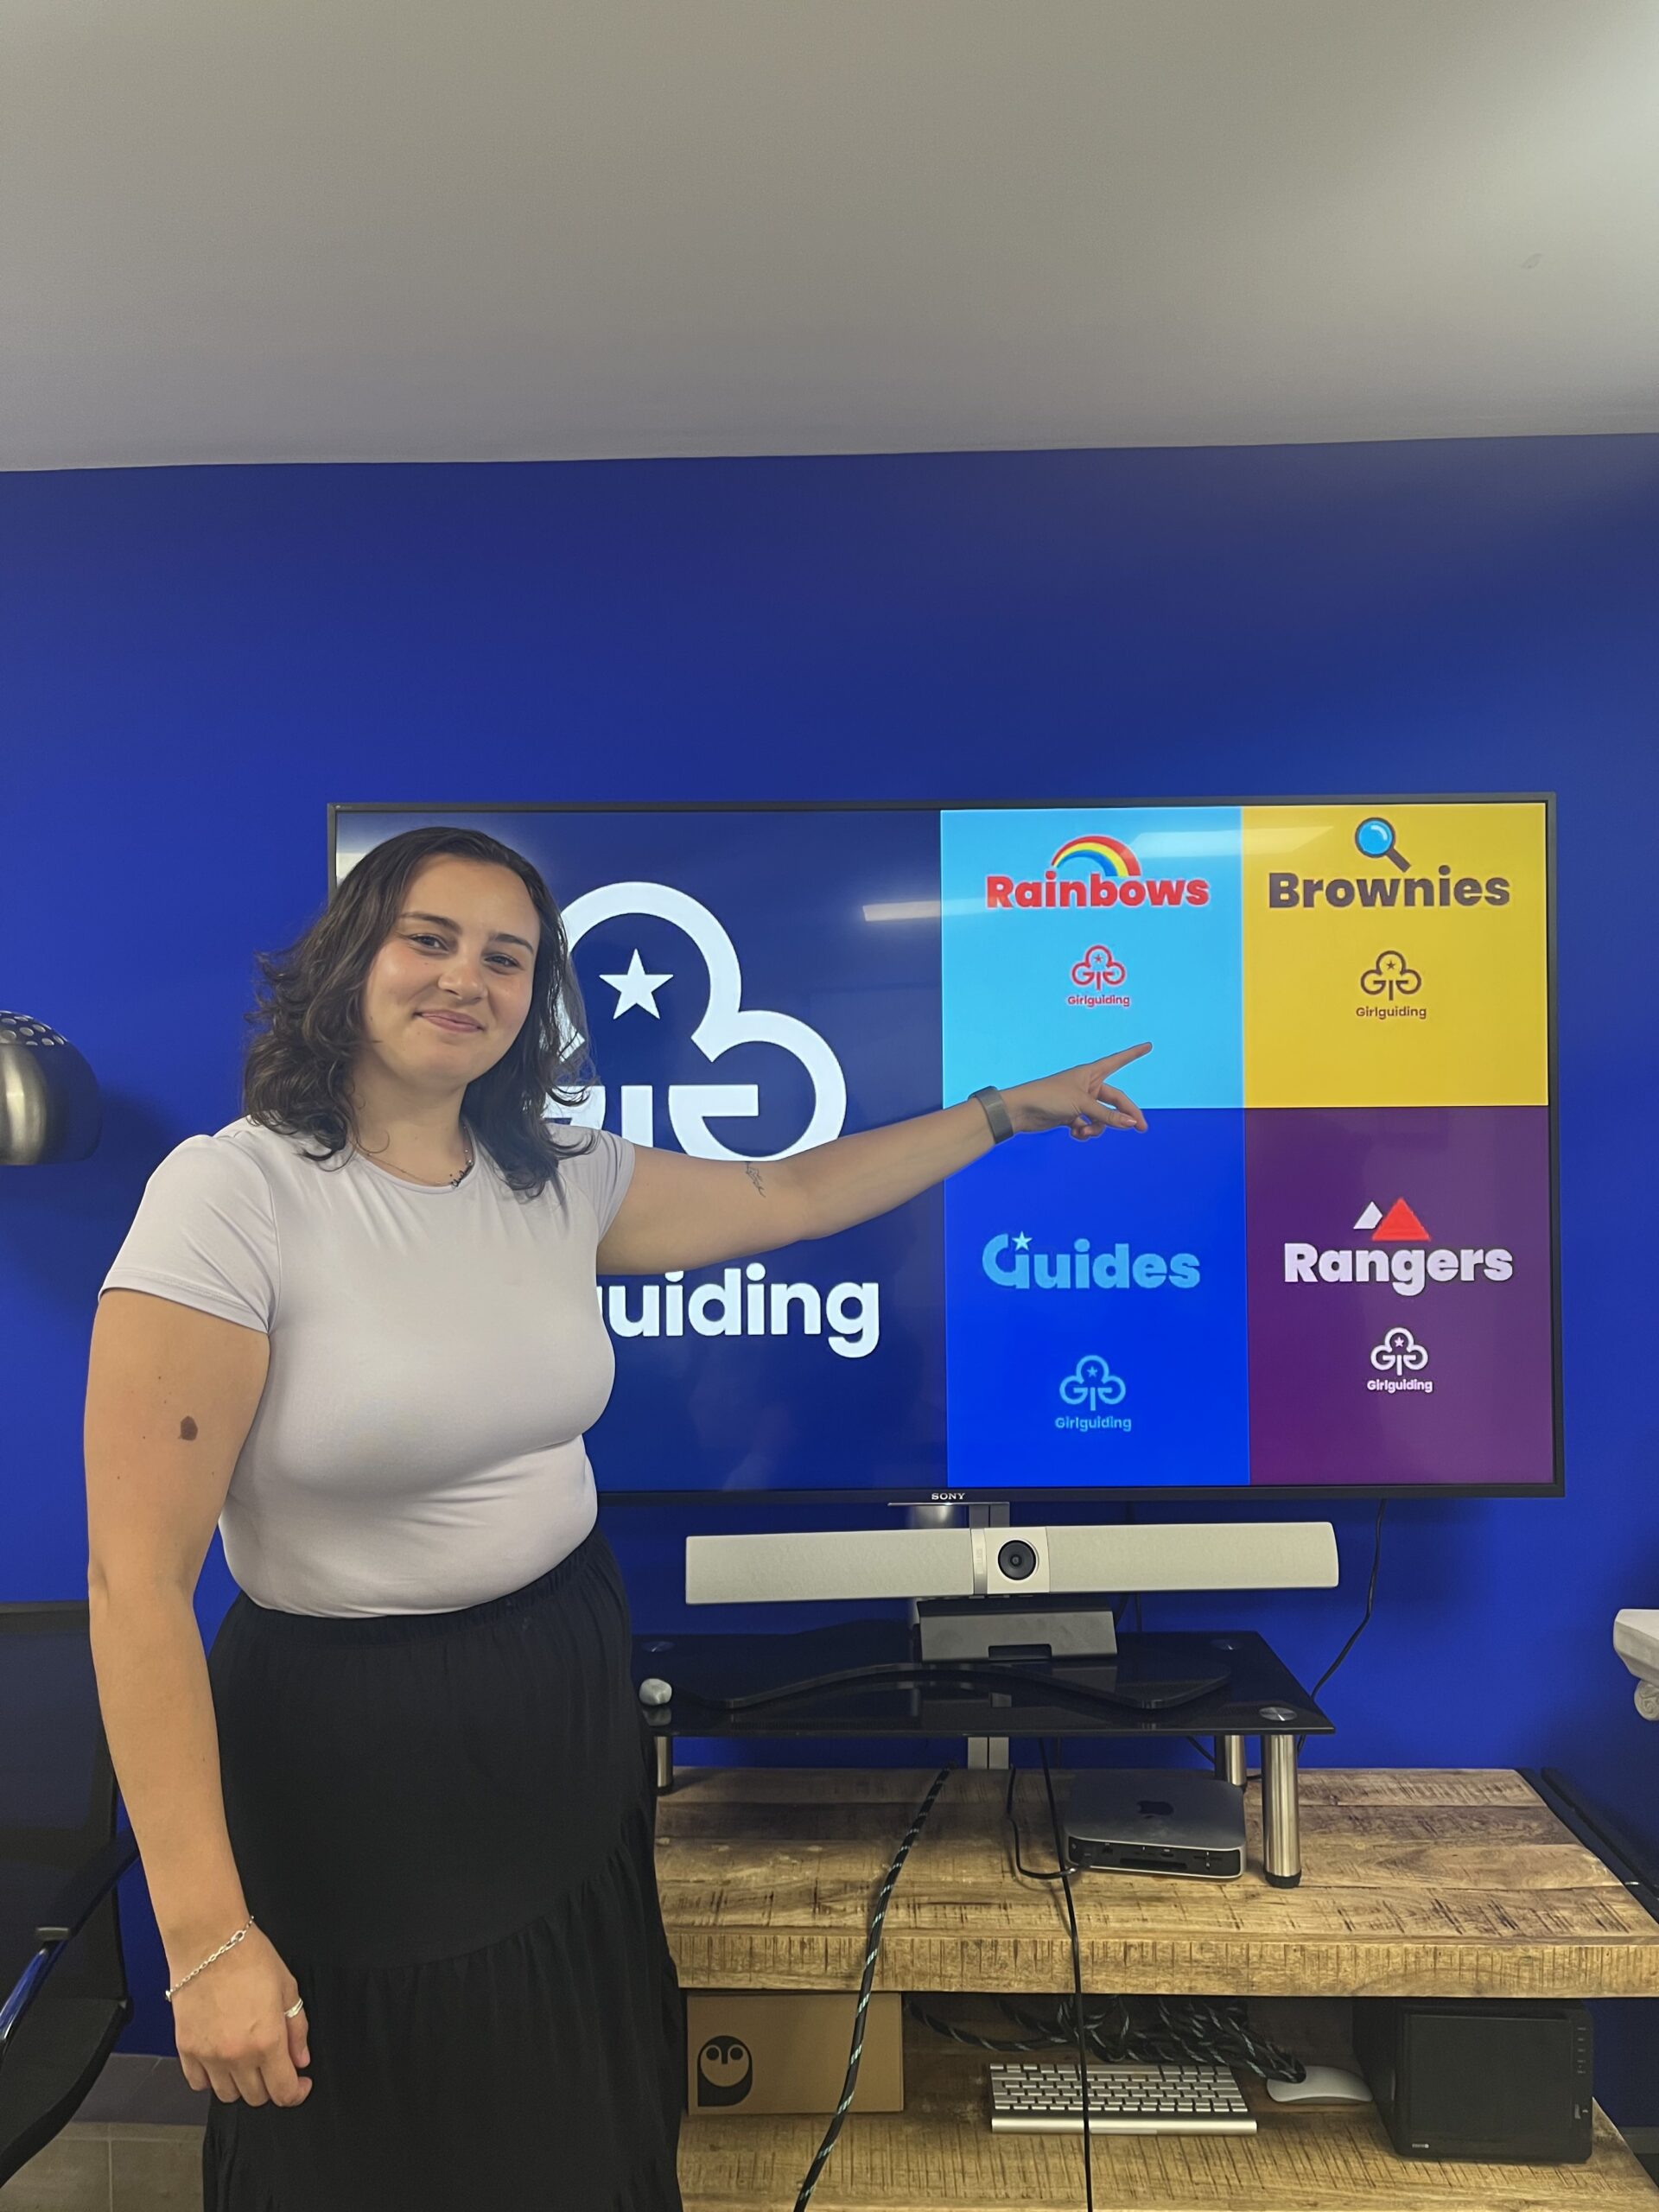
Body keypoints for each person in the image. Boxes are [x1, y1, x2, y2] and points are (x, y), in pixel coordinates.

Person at [83, 824, 1149, 2212]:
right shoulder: (232, 1197)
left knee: (578, 2103)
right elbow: (134, 1588)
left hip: (565, 1694)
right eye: (429, 939)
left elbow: (789, 1192)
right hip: (351, 1747)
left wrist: (1004, 1112)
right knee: (377, 2132)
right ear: (348, 961)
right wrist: (208, 1942)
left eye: (507, 958)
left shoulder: (555, 1170)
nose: (466, 979)